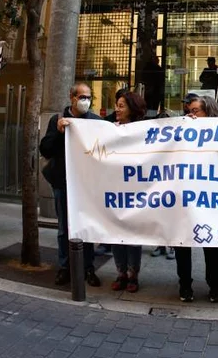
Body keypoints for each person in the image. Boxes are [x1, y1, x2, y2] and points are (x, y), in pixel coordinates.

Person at [39, 82, 102, 288]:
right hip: (63, 182)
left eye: (88, 97)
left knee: (87, 227)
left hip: (87, 184)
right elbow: (45, 149)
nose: (86, 101)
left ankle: (88, 267)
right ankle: (65, 267)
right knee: (64, 228)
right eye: (82, 97)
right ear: (72, 98)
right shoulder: (57, 120)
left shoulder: (95, 121)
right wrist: (58, 132)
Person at [176, 94, 218, 303]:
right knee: (182, 242)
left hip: (210, 199)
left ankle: (215, 285)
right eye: (189, 111)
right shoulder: (182, 131)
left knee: (212, 244)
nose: (191, 115)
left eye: (196, 111)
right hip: (185, 197)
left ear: (209, 112)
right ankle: (184, 285)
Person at [111, 91, 146, 292]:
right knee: (115, 233)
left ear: (132, 108)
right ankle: (120, 273)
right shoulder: (108, 128)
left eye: (122, 105)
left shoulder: (143, 130)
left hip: (135, 191)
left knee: (133, 234)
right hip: (115, 189)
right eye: (117, 104)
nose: (117, 108)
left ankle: (133, 276)